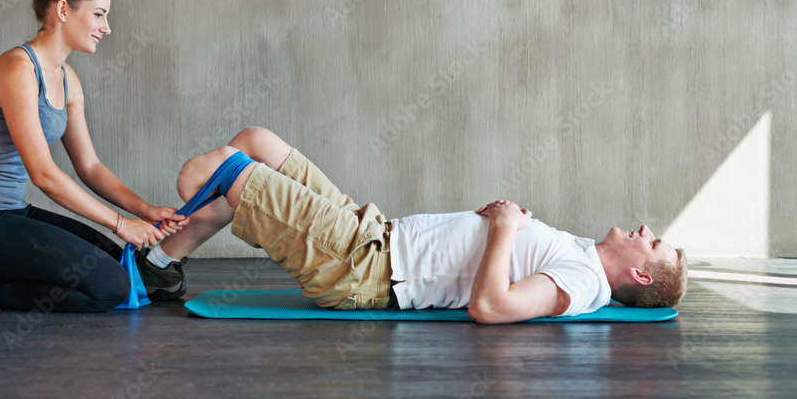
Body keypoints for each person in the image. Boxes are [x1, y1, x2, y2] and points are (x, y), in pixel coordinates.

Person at [153, 127, 688, 323]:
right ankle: (160, 266)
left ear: (641, 277)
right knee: (257, 142)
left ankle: (146, 236)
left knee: (217, 171)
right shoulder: (583, 257)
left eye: (654, 243)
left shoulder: (585, 283)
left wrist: (504, 226)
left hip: (362, 266)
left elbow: (491, 308)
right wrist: (508, 222)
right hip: (373, 232)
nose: (645, 229)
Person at [0, 0, 188, 312]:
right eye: (99, 14)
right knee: (111, 287)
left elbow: (89, 166)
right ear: (64, 9)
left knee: (125, 267)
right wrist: (121, 225)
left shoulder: (67, 79)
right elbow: (43, 174)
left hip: (13, 213)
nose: (106, 28)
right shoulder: (18, 69)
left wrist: (144, 210)